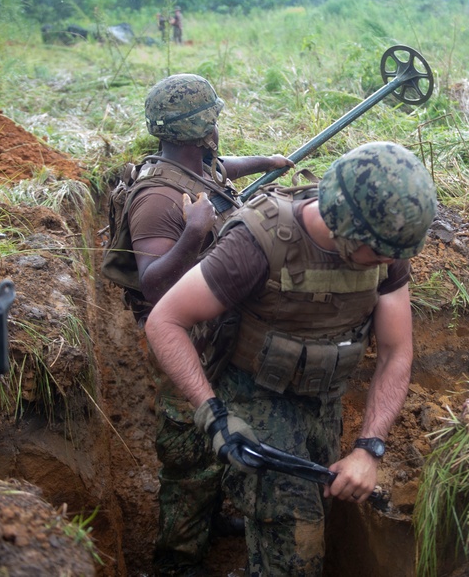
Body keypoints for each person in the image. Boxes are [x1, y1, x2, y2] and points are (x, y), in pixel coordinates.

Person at [145, 141, 438, 576]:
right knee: (295, 546)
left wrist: (369, 448)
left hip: (324, 397)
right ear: (343, 226)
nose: (391, 262)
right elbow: (164, 320)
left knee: (306, 508)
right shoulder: (256, 244)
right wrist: (214, 416)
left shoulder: (386, 249)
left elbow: (396, 351)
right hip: (251, 392)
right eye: (380, 253)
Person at [129, 73, 292, 576]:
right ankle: (177, 557)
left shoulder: (196, 167)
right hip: (187, 342)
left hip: (218, 336)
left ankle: (211, 517)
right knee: (191, 455)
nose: (217, 129)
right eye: (213, 120)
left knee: (221, 440)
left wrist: (266, 163)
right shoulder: (157, 200)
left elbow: (221, 171)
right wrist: (194, 233)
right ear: (201, 128)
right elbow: (154, 285)